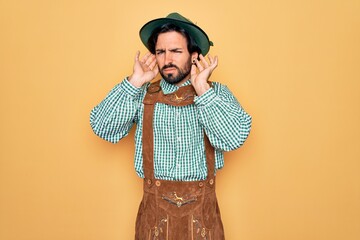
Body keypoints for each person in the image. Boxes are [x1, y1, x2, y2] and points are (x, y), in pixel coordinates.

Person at [90, 12, 252, 240]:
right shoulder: (142, 94)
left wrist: (202, 89)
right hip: (153, 221)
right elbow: (102, 127)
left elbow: (234, 138)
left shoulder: (216, 94)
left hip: (203, 222)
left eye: (176, 51)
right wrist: (135, 82)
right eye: (160, 52)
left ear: (194, 55)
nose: (167, 59)